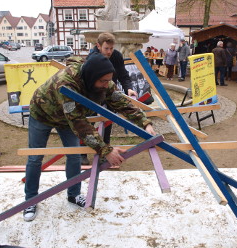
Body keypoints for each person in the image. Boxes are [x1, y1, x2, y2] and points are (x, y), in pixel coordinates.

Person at [23, 54, 156, 222]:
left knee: (74, 156)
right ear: (92, 77)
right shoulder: (67, 85)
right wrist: (105, 150)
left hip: (66, 119)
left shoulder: (103, 79)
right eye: (103, 81)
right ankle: (30, 200)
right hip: (42, 114)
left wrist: (145, 124)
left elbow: (122, 102)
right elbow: (79, 123)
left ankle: (74, 194)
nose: (106, 84)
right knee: (35, 157)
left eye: (108, 80)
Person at [82, 32, 138, 165]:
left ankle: (105, 151)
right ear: (98, 46)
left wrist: (128, 88)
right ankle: (82, 153)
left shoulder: (117, 56)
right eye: (106, 48)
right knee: (89, 121)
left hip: (110, 91)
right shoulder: (92, 57)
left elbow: (123, 75)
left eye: (111, 48)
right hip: (93, 92)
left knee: (108, 120)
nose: (109, 52)